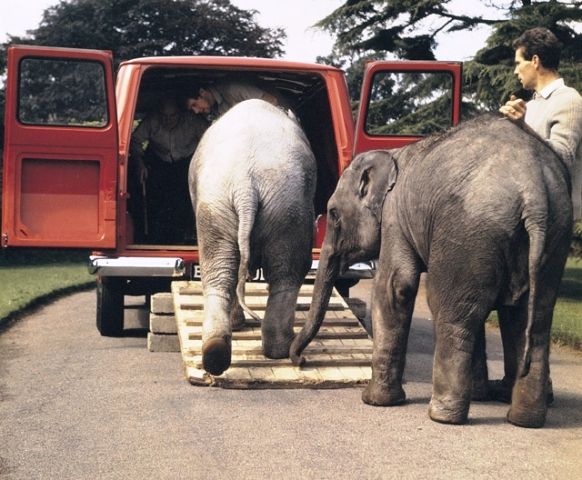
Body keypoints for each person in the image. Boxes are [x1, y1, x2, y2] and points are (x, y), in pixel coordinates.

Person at [499, 27, 582, 220]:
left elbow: (563, 157)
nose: (515, 70)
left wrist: (522, 127)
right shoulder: (532, 105)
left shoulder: (569, 100)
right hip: (531, 214)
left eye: (519, 63)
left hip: (555, 221)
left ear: (535, 61)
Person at [130, 95, 208, 244]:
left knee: (186, 201)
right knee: (158, 202)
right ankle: (155, 237)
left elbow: (211, 138)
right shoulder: (151, 121)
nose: (168, 120)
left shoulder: (193, 121)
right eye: (164, 116)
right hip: (160, 164)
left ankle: (189, 235)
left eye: (172, 116)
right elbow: (135, 141)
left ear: (179, 113)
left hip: (186, 164)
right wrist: (139, 163)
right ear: (158, 114)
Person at [186, 80, 280, 118]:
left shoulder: (232, 89)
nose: (196, 111)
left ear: (202, 92)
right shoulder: (214, 110)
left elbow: (272, 101)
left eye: (194, 105)